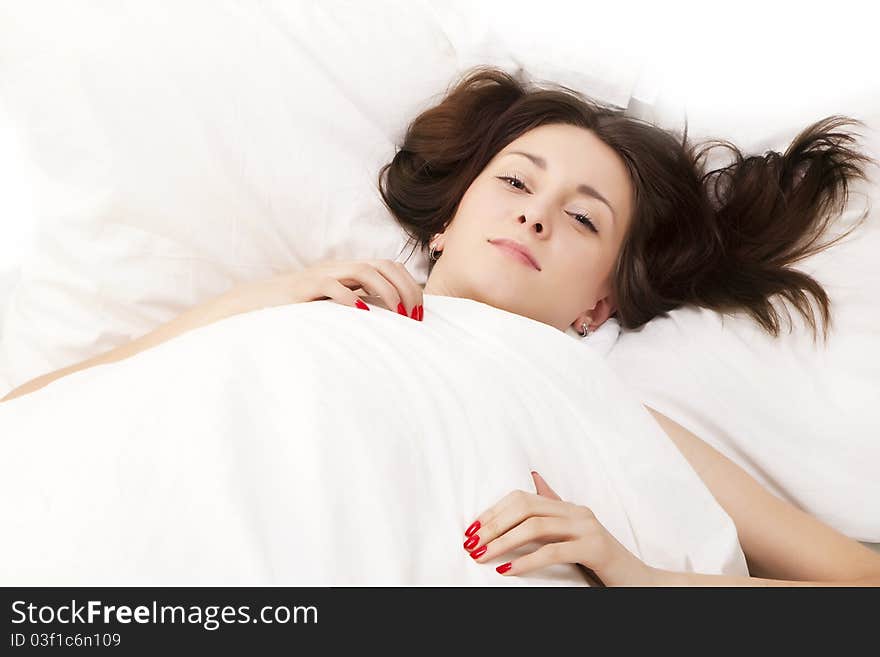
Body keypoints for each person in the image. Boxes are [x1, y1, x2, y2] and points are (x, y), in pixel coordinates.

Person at [2, 66, 878, 586]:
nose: (537, 216)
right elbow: (40, 408)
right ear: (448, 220)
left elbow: (859, 585)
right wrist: (269, 299)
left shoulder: (607, 410)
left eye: (583, 220)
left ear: (598, 306)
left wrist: (635, 574)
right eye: (516, 182)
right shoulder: (299, 302)